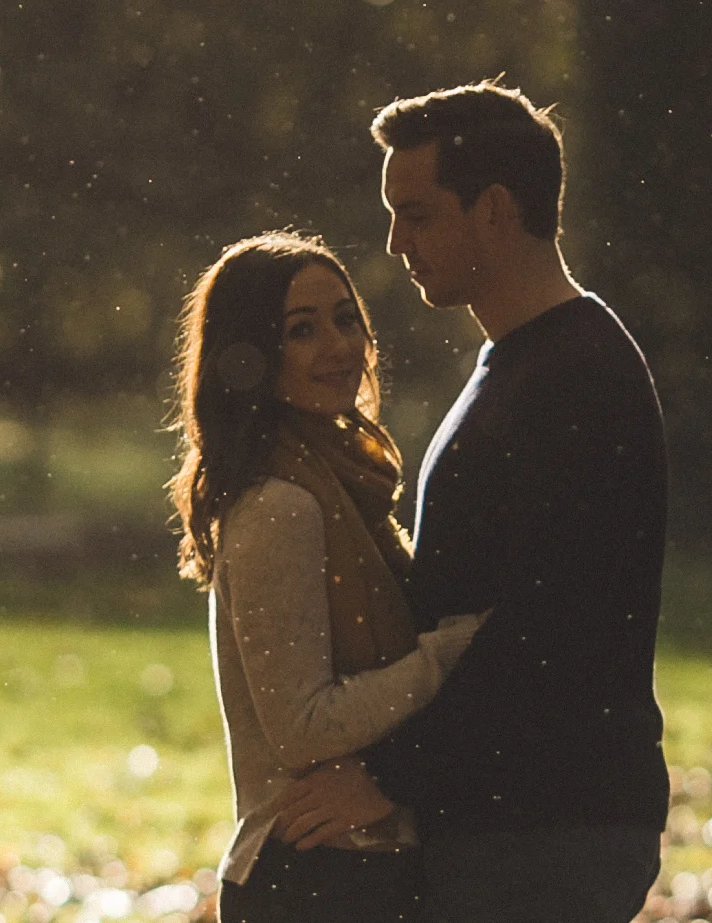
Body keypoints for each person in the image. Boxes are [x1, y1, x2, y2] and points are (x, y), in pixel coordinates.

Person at [273, 82, 670, 922]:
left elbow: (545, 628)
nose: (395, 243)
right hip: (511, 818)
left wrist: (386, 776)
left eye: (417, 215)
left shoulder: (579, 377)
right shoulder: (523, 364)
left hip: (550, 827)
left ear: (494, 209)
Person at [168, 231, 483, 923]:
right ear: (252, 355)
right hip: (313, 876)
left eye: (346, 319)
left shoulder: (345, 487)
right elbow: (302, 727)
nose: (338, 346)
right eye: (301, 330)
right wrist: (447, 655)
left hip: (353, 870)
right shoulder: (280, 504)